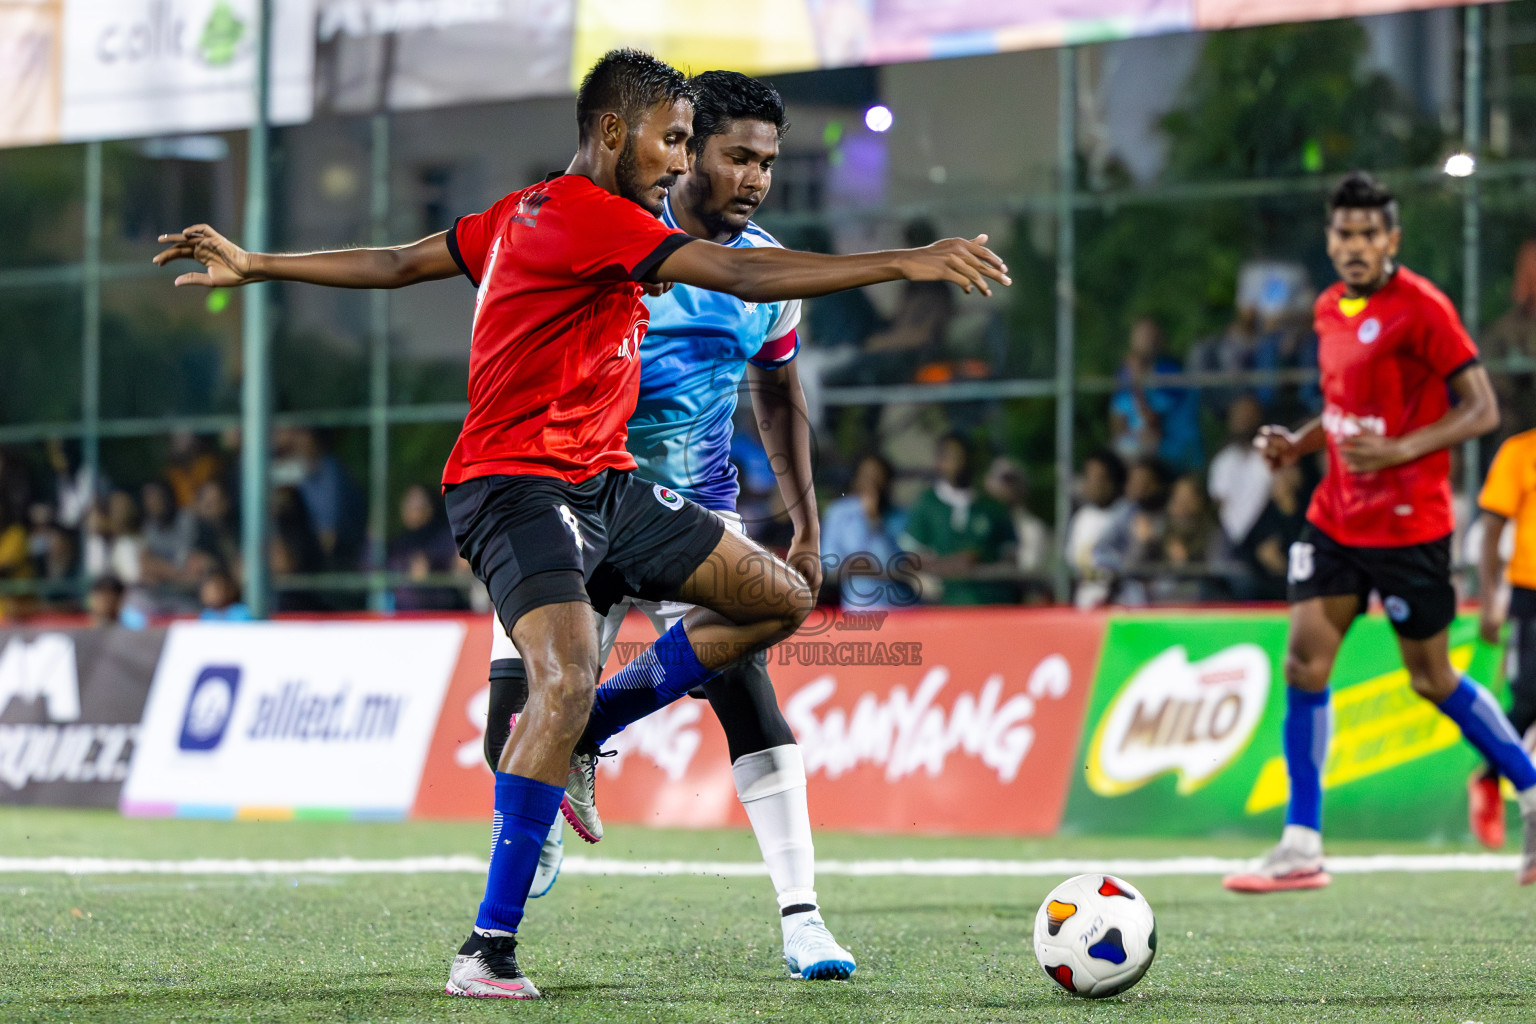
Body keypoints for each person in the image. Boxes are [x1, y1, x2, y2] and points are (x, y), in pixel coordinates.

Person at [155, 48, 1008, 1000]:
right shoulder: (594, 216)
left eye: (696, 144)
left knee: (777, 598)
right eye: (676, 141)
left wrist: (261, 263)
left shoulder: (519, 212)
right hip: (517, 485)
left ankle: (601, 744)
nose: (686, 164)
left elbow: (400, 261)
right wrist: (907, 258)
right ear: (613, 133)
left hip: (608, 483)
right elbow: (736, 275)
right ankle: (487, 947)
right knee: (541, 698)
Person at [479, 71, 854, 981]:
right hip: (565, 499)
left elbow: (777, 391)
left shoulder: (768, 274)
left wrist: (804, 522)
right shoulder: (600, 240)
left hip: (688, 511)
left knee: (748, 692)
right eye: (736, 156)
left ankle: (803, 918)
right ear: (682, 151)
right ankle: (552, 789)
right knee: (508, 732)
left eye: (768, 162)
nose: (756, 179)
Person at [1221, 171, 1536, 893]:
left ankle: (1531, 789)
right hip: (1338, 516)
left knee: (1431, 677)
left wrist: (1400, 449)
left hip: (1409, 526)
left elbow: (1481, 409)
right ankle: (1301, 843)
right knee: (1304, 664)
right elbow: (1342, 410)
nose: (1355, 245)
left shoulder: (1422, 308)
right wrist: (1298, 445)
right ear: (1330, 240)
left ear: (1392, 239)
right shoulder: (1330, 307)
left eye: (1369, 234)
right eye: (1344, 233)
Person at [1468, 427, 1536, 848]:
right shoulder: (1520, 452)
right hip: (1531, 591)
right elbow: (1492, 531)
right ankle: (1489, 779)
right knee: (1529, 694)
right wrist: (1490, 597)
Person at [899, 433, 1017, 605]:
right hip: (945, 607)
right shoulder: (927, 504)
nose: (959, 464)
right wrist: (953, 565)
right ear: (939, 462)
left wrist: (983, 563)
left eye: (964, 457)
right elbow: (910, 561)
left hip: (991, 604)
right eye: (952, 458)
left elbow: (1011, 556)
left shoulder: (992, 507)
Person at [1109, 317, 1203, 472]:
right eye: (1141, 335)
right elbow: (1117, 420)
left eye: (1150, 335)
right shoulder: (1125, 372)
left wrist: (1137, 384)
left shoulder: (1170, 371)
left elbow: (1152, 421)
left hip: (1172, 448)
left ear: (1160, 339)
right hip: (1139, 444)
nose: (1146, 340)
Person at [821, 453, 911, 609]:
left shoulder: (900, 516)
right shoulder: (839, 512)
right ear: (856, 478)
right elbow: (829, 563)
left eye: (879, 477)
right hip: (858, 609)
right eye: (867, 476)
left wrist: (873, 521)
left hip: (900, 607)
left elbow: (897, 565)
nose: (872, 483)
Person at [1207, 394, 1273, 547]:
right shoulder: (1223, 460)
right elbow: (1218, 500)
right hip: (1232, 534)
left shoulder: (1273, 453)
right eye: (1239, 416)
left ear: (1259, 417)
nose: (1244, 421)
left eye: (1248, 415)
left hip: (1268, 529)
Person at [1065, 449, 1128, 608]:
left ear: (1113, 480)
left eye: (1098, 478)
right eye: (1088, 477)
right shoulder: (1082, 517)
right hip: (1084, 606)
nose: (1091, 484)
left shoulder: (1126, 514)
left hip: (1121, 606)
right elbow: (1072, 564)